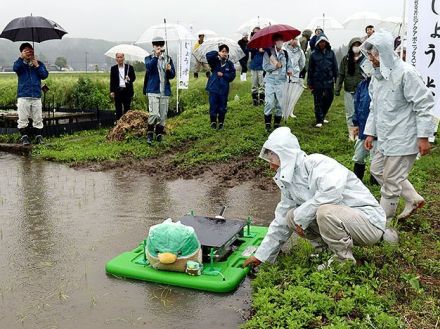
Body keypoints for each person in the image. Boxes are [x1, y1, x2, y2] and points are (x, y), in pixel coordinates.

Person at [243, 127, 386, 268]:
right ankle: (326, 253)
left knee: (323, 212)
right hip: (348, 223)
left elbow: (331, 194)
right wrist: (262, 255)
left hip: (369, 223)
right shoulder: (289, 181)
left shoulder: (318, 163)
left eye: (273, 159)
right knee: (290, 217)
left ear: (285, 155)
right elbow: (281, 220)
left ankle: (343, 262)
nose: (271, 166)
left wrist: (302, 216)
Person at [362, 31, 435, 224]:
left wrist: (424, 137)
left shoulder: (406, 73)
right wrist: (370, 133)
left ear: (385, 52)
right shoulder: (379, 77)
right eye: (369, 55)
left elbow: (424, 104)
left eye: (375, 55)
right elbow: (374, 107)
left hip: (404, 136)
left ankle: (384, 224)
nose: (372, 59)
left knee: (391, 181)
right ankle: (412, 198)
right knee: (377, 170)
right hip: (386, 136)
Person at [13, 42, 49, 145]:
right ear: (22, 52)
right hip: (23, 95)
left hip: (36, 96)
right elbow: (15, 68)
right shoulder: (19, 64)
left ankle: (39, 136)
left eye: (31, 50)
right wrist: (21, 58)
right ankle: (24, 137)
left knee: (38, 117)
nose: (29, 52)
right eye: (26, 50)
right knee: (23, 118)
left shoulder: (38, 63)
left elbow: (44, 75)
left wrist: (37, 65)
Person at [144, 36, 176, 145]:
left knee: (163, 115)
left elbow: (172, 76)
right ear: (153, 46)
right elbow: (149, 68)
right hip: (153, 90)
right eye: (156, 45)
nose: (159, 47)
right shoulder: (149, 58)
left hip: (164, 91)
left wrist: (169, 70)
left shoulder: (168, 59)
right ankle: (149, 134)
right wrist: (156, 57)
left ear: (163, 46)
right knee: (154, 114)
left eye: (161, 45)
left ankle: (158, 134)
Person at [335, 38, 364, 141]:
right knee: (350, 113)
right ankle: (351, 134)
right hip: (349, 89)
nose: (356, 47)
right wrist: (337, 88)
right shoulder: (346, 59)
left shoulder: (365, 59)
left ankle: (359, 134)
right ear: (351, 46)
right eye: (354, 45)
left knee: (361, 112)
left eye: (358, 45)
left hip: (361, 91)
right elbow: (341, 74)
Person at [262, 33, 293, 132]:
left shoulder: (285, 53)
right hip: (270, 81)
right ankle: (267, 124)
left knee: (280, 104)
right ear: (274, 42)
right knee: (269, 102)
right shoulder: (268, 53)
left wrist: (289, 70)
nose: (280, 42)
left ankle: (276, 123)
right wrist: (275, 66)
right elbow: (265, 67)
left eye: (281, 40)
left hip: (281, 82)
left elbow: (289, 65)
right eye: (278, 40)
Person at [307, 33, 338, 128]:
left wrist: (336, 77)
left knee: (329, 99)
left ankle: (323, 115)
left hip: (329, 80)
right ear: (317, 43)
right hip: (317, 81)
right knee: (318, 101)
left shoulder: (331, 53)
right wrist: (310, 82)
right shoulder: (313, 55)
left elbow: (335, 66)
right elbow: (310, 69)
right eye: (320, 42)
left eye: (324, 42)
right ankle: (319, 120)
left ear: (327, 42)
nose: (322, 44)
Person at [206, 44, 236, 130]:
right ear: (220, 52)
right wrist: (217, 53)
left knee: (222, 106)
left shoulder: (229, 64)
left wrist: (224, 75)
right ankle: (213, 122)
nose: (224, 53)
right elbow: (208, 55)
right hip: (214, 87)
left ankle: (221, 123)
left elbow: (232, 76)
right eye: (223, 51)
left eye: (226, 52)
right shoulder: (214, 61)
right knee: (213, 105)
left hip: (224, 89)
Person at [283, 36, 306, 118]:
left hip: (295, 74)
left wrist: (297, 70)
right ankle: (284, 111)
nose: (294, 41)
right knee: (285, 93)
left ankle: (291, 111)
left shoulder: (300, 51)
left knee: (293, 94)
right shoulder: (284, 49)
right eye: (293, 39)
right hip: (285, 74)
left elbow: (302, 63)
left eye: (296, 39)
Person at [110, 53, 136, 121]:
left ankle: (127, 124)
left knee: (127, 108)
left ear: (124, 58)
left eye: (121, 57)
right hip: (117, 91)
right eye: (118, 57)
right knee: (118, 109)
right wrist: (112, 91)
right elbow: (112, 80)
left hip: (127, 91)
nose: (119, 59)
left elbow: (134, 78)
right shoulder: (113, 68)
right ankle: (118, 124)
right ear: (116, 59)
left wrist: (129, 78)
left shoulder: (129, 67)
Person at [248, 27, 265, 106]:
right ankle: (254, 100)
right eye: (254, 32)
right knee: (254, 84)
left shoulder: (264, 41)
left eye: (258, 32)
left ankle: (261, 100)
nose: (256, 34)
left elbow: (268, 50)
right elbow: (248, 49)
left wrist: (263, 49)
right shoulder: (252, 42)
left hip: (262, 66)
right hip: (254, 65)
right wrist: (257, 48)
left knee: (262, 84)